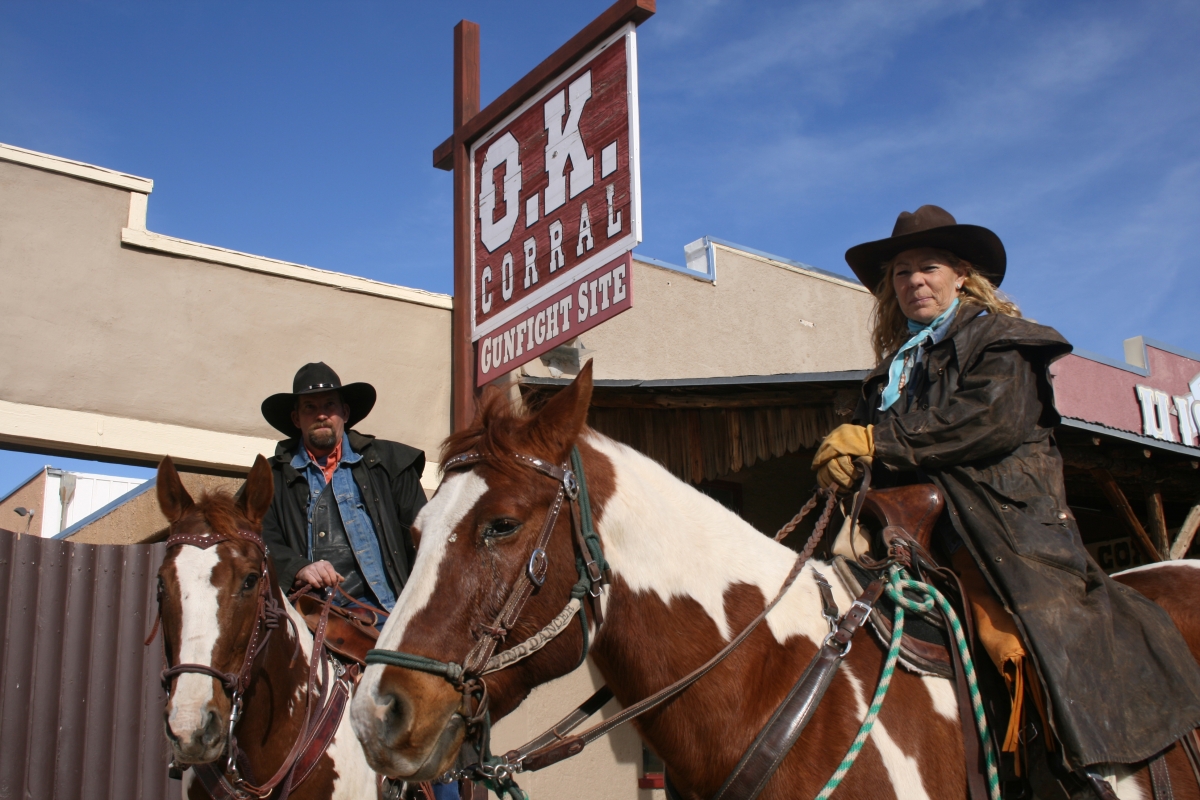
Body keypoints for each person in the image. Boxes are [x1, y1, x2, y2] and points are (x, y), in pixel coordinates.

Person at [812, 206, 1200, 793]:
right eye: (900, 272)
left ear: (962, 274)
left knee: (1024, 644)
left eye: (929, 267)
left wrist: (876, 439)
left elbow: (986, 421)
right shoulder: (891, 374)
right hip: (913, 540)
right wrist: (844, 466)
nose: (913, 281)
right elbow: (884, 458)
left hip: (1008, 536)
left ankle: (1088, 771)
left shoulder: (1003, 342)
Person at [259, 362, 427, 611]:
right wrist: (297, 567)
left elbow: (428, 539)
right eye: (310, 407)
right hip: (305, 613)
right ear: (296, 418)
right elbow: (250, 537)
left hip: (388, 610)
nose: (321, 415)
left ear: (345, 413)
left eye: (329, 405)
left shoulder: (391, 464)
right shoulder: (269, 480)